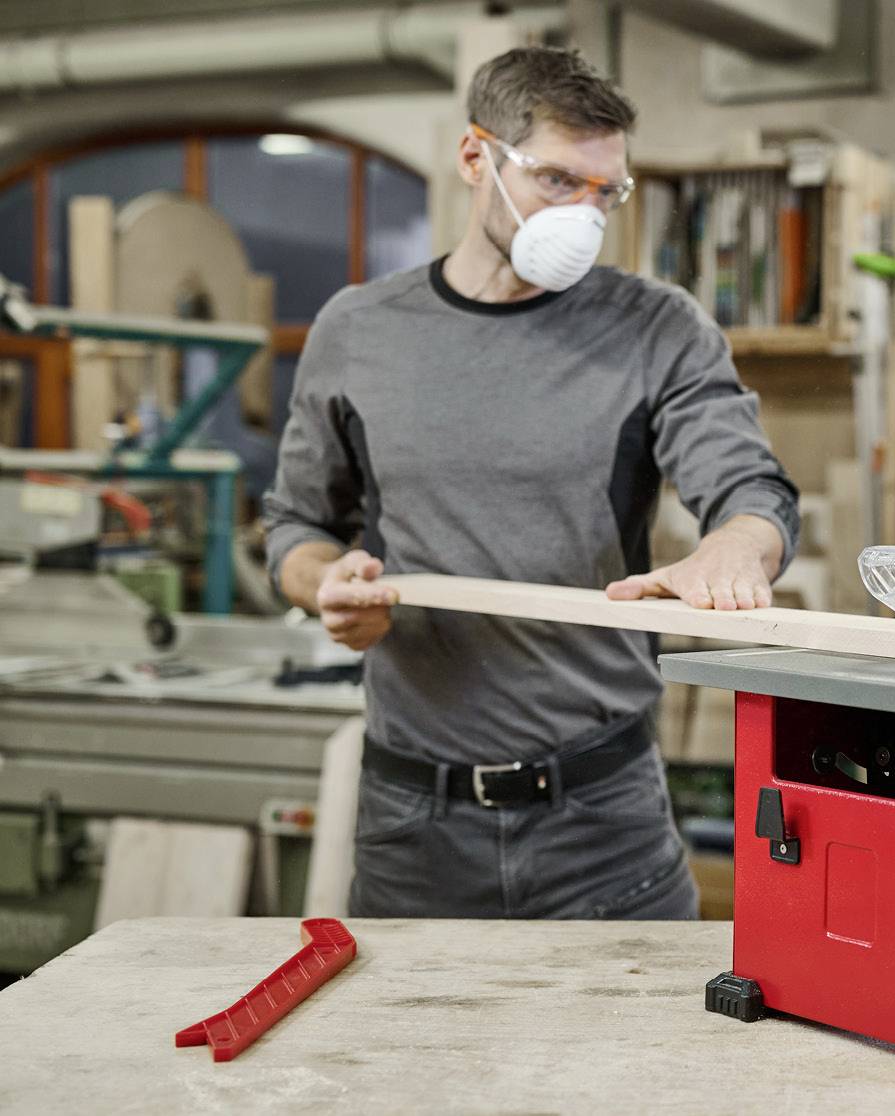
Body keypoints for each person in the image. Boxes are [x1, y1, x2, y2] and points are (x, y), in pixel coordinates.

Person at [262, 46, 799, 920]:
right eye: (557, 181)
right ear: (479, 159)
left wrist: (736, 547)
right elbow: (295, 524)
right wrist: (322, 582)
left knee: (638, 1054)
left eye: (605, 193)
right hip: (414, 822)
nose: (584, 216)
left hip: (602, 814)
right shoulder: (361, 329)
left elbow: (748, 482)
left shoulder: (656, 327)